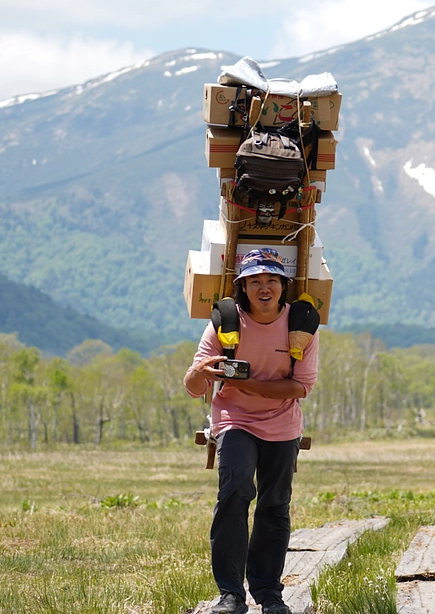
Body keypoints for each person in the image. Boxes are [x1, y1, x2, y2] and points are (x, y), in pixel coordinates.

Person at [184, 248, 319, 614]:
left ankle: (269, 594)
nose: (264, 287)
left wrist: (247, 385)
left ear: (283, 285)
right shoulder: (224, 323)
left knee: (275, 505)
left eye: (271, 280)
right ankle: (230, 595)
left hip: (282, 424)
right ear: (242, 287)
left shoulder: (301, 326)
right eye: (255, 281)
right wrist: (199, 373)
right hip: (234, 419)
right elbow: (194, 387)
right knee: (234, 492)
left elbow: (301, 387)